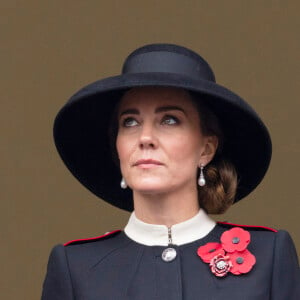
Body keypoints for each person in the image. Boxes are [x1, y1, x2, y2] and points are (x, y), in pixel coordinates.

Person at [41, 44, 300, 299]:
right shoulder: (75, 268)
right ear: (117, 147)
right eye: (130, 122)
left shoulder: (269, 257)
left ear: (206, 149)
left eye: (169, 120)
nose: (145, 138)